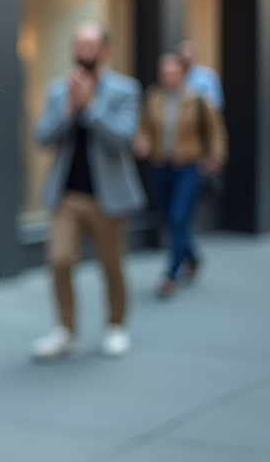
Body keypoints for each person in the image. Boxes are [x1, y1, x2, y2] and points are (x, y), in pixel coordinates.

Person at [30, 22, 145, 360]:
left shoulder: (126, 90)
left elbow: (122, 140)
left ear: (105, 51)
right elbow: (43, 137)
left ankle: (115, 325)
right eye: (79, 44)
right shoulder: (57, 90)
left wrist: (91, 105)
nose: (83, 51)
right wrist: (69, 109)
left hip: (108, 198)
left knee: (111, 264)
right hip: (67, 196)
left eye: (91, 45)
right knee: (59, 261)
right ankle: (66, 330)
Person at [134, 53, 227, 298]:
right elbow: (143, 126)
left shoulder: (196, 98)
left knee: (178, 217)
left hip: (188, 166)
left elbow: (215, 128)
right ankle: (193, 257)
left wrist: (215, 157)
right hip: (160, 165)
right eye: (164, 73)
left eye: (173, 72)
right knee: (170, 219)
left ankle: (171, 274)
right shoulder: (154, 97)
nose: (169, 77)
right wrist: (142, 141)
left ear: (182, 73)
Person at [176, 39, 224, 110]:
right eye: (184, 58)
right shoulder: (173, 76)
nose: (186, 61)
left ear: (196, 56)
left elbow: (217, 102)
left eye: (189, 58)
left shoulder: (208, 75)